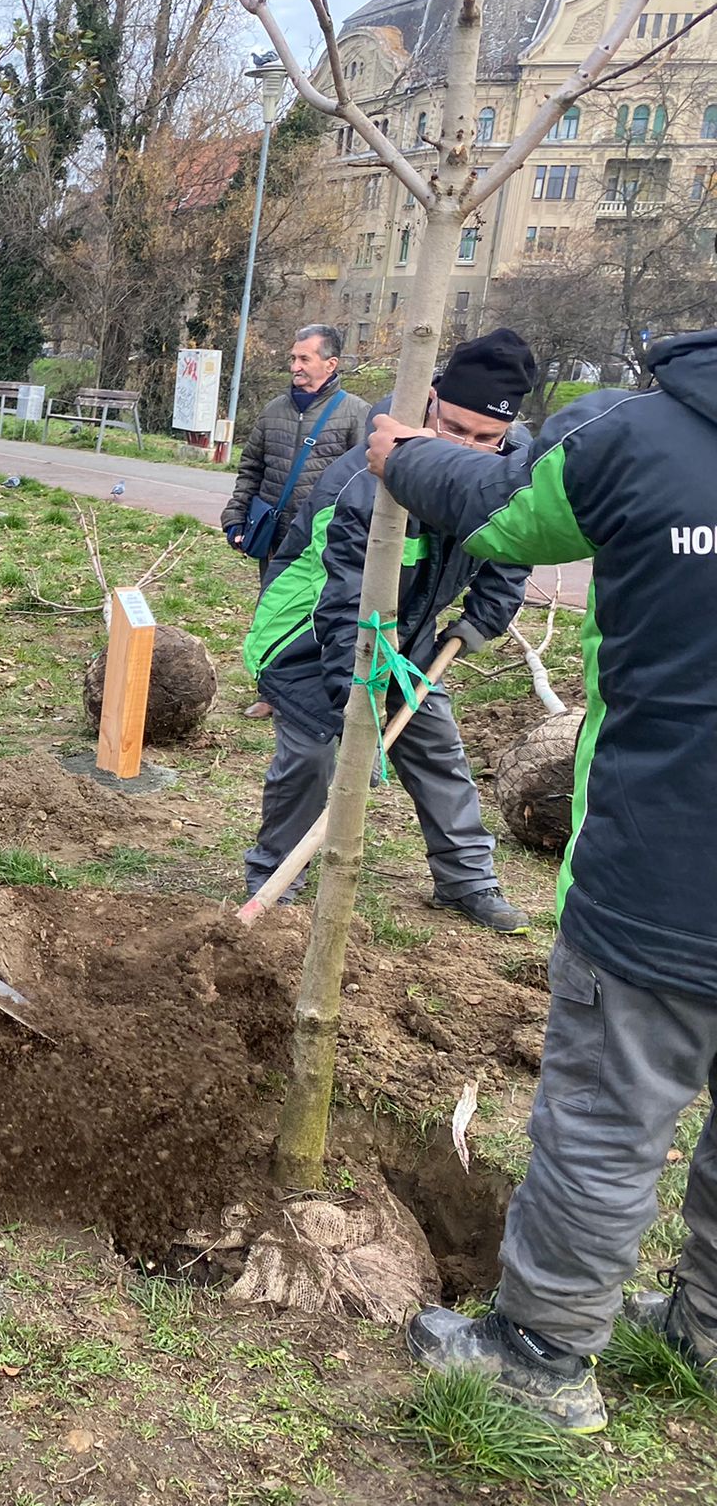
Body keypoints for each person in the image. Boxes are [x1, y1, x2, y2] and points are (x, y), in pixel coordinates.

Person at [366, 325, 717, 1432]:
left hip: (669, 864)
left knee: (606, 1116)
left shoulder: (643, 435)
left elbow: (505, 508)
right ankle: (706, 1326)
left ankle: (537, 1355)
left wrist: (398, 454)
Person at [239, 330, 534, 933]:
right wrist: (360, 699)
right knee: (315, 753)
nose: (469, 450)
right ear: (428, 403)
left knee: (437, 750)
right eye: (453, 429)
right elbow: (342, 598)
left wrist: (481, 621)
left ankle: (466, 881)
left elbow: (513, 550)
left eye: (486, 438)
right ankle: (274, 880)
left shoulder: (509, 470)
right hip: (307, 635)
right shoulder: (367, 481)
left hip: (411, 634)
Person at [223, 325, 370, 718]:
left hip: (329, 540)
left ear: (331, 363)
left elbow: (367, 479)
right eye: (293, 358)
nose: (295, 366)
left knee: (326, 613)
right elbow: (251, 468)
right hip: (276, 536)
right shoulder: (273, 411)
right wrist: (236, 514)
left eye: (304, 358)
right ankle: (272, 692)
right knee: (274, 610)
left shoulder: (356, 413)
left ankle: (323, 693)